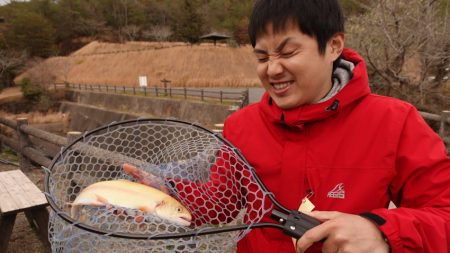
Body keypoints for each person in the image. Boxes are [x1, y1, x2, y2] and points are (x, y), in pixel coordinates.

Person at [222, 0, 450, 252]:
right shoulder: (241, 125)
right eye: (262, 57)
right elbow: (219, 202)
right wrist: (172, 191)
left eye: (288, 53)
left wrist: (381, 232)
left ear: (333, 46)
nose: (273, 69)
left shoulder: (394, 121)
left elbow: (444, 213)